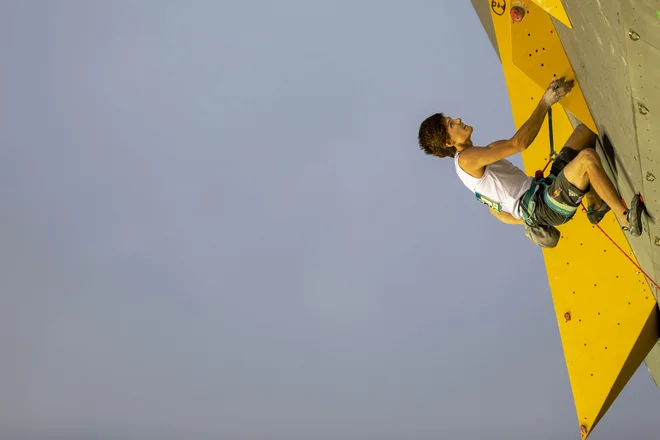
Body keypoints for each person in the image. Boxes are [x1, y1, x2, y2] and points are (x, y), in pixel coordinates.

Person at [417, 77, 643, 246]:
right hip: (544, 204)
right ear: (448, 142)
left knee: (585, 132)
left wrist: (526, 218)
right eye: (450, 124)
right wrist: (545, 102)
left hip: (543, 193)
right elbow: (519, 144)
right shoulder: (466, 160)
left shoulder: (477, 159)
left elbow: (500, 214)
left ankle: (595, 204)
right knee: (586, 159)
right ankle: (626, 218)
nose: (457, 120)